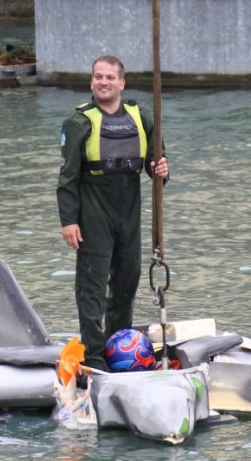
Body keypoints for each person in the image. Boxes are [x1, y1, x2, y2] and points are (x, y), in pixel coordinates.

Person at [57, 55, 168, 371]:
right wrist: (69, 221)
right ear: (92, 82)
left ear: (122, 83)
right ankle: (93, 356)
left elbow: (156, 165)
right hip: (94, 213)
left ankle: (117, 344)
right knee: (91, 287)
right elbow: (66, 179)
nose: (103, 82)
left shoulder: (140, 115)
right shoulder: (79, 123)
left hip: (129, 212)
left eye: (109, 77)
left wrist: (161, 167)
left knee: (127, 281)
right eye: (97, 77)